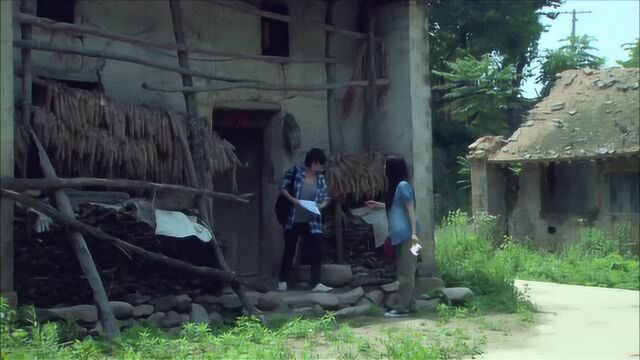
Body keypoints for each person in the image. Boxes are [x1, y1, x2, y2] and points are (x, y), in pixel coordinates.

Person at [366, 156, 420, 317]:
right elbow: (398, 206)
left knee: (406, 273)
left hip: (409, 237)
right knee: (405, 271)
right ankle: (411, 305)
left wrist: (414, 234)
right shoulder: (398, 187)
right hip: (401, 237)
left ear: (392, 169)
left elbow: (411, 209)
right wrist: (380, 206)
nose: (383, 168)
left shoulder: (403, 185)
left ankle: (401, 308)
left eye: (385, 165)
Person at [278, 148, 333, 293]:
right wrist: (293, 200)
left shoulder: (320, 178)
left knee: (316, 249)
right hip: (293, 218)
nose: (321, 168)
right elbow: (283, 188)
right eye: (320, 164)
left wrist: (321, 205)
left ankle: (315, 283)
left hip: (312, 219)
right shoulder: (295, 172)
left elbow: (326, 197)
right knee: (289, 249)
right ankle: (282, 280)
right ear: (314, 163)